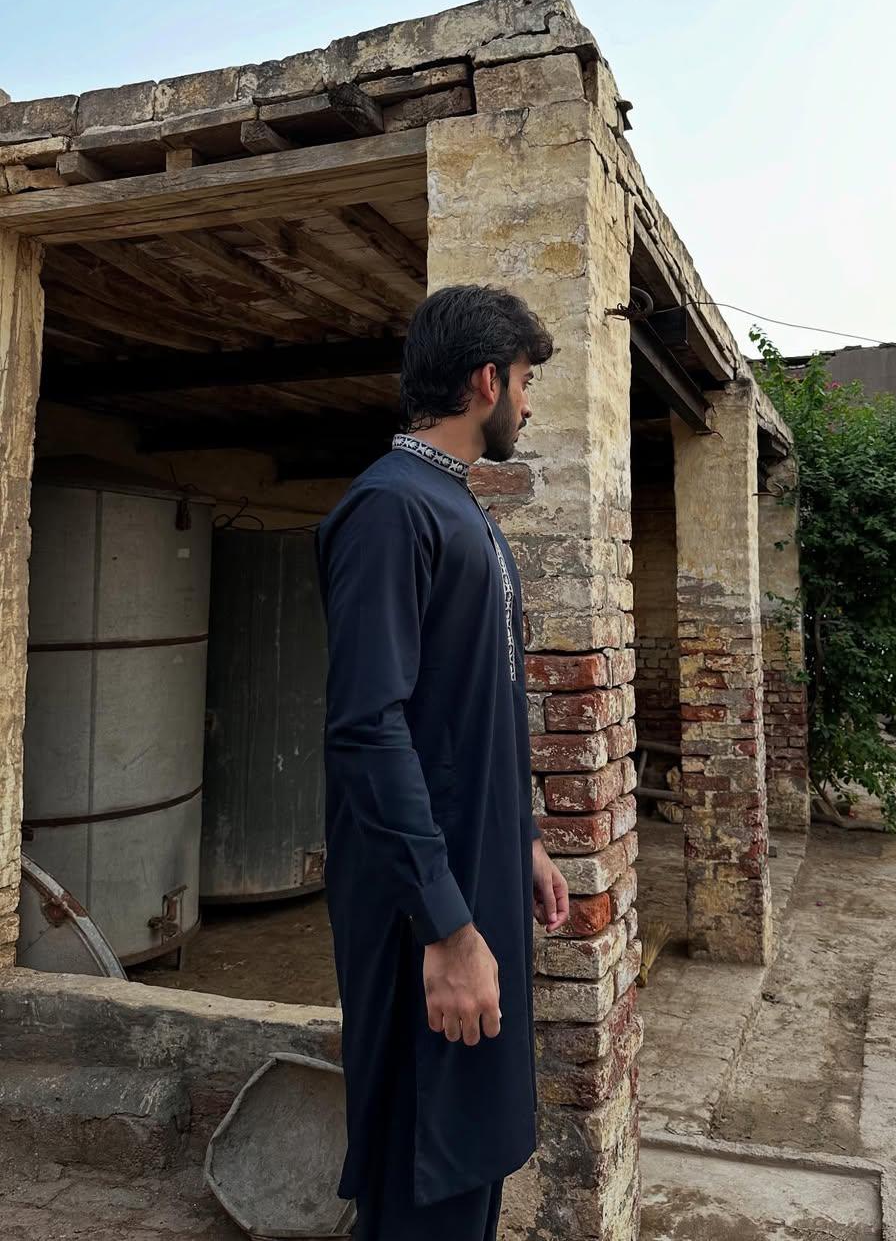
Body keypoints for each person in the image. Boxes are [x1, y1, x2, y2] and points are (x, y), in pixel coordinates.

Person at [316, 284, 570, 1241]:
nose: (531, 405)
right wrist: (448, 926)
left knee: (470, 1170)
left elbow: (473, 713)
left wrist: (526, 839)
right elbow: (367, 731)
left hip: (476, 885)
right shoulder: (389, 511)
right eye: (528, 382)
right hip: (423, 924)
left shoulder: (460, 511)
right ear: (486, 380)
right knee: (424, 1177)